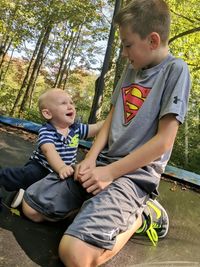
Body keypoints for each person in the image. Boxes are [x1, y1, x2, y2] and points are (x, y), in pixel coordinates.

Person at [22, 0, 191, 266]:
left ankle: (139, 217)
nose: (124, 53)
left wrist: (110, 174)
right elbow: (113, 117)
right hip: (103, 165)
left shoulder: (176, 70)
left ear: (153, 40)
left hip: (134, 176)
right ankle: (98, 209)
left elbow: (164, 141)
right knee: (32, 207)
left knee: (74, 255)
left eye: (127, 44)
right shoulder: (131, 69)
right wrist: (90, 160)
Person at [0, 88, 103, 208]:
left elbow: (96, 128)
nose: (70, 106)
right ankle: (4, 177)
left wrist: (111, 120)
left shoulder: (76, 129)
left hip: (61, 172)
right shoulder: (47, 130)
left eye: (71, 103)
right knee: (30, 174)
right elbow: (48, 150)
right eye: (63, 103)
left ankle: (25, 195)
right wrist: (61, 167)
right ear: (48, 113)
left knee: (58, 188)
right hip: (42, 167)